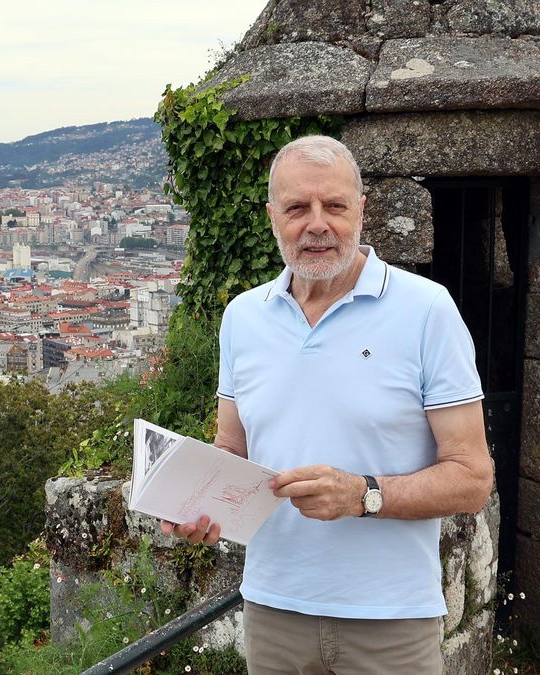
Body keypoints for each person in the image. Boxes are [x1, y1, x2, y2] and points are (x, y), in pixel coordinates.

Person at [161, 135, 493, 674]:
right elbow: (233, 447)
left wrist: (363, 495)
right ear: (273, 217)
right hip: (273, 608)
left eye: (334, 205)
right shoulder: (244, 318)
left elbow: (473, 478)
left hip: (391, 618)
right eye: (297, 208)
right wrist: (193, 505)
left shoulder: (426, 310)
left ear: (361, 210)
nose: (317, 224)